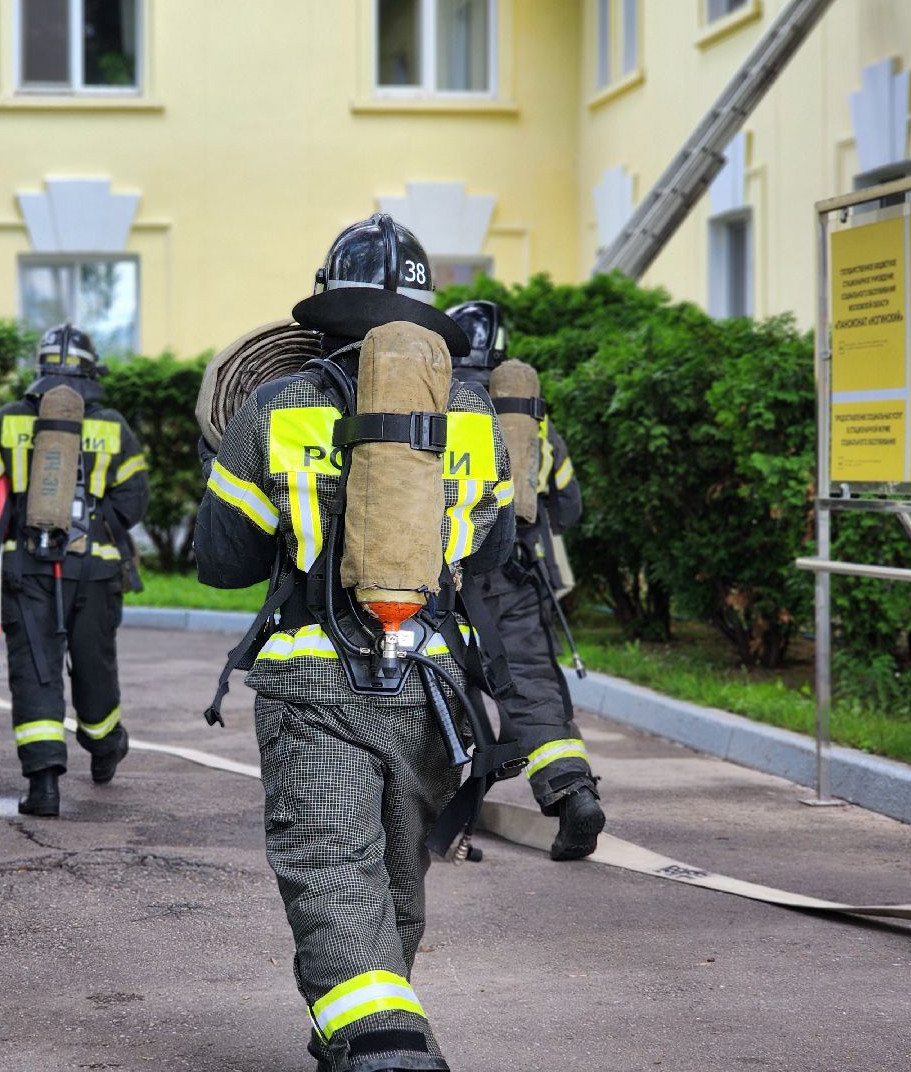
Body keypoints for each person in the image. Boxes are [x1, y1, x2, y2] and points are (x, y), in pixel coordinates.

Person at [194, 215, 516, 1072]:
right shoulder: (475, 412)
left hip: (313, 685)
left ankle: (385, 1047)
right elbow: (496, 553)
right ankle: (362, 1030)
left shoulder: (277, 404)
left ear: (327, 309)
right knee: (396, 890)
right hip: (432, 692)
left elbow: (221, 562)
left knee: (335, 873)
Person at [0, 324, 149, 817]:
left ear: (39, 369)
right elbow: (134, 499)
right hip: (95, 572)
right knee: (94, 665)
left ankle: (43, 788)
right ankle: (105, 748)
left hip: (28, 569)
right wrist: (97, 532)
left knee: (36, 672)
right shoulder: (111, 426)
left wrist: (4, 529)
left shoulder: (8, 421)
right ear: (90, 369)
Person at [445, 300, 605, 861]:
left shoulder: (431, 397)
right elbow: (568, 507)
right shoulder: (528, 415)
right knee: (532, 686)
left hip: (441, 576)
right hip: (512, 576)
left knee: (435, 682)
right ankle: (571, 793)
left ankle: (444, 804)